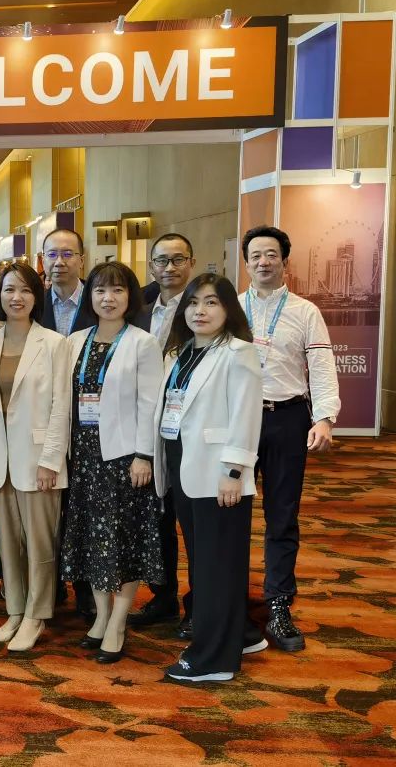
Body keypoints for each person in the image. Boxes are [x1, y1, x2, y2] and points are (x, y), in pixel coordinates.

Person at [156, 273, 267, 682]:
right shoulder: (182, 352)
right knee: (208, 561)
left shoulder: (238, 352)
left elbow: (246, 414)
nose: (200, 311)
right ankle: (242, 634)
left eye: (211, 302)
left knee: (215, 566)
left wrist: (234, 471)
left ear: (227, 309)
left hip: (219, 474)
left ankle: (213, 659)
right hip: (185, 468)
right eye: (193, 303)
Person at [239, 225, 340, 652]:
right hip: (239, 420)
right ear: (246, 263)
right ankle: (228, 600)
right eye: (255, 256)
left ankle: (278, 604)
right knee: (230, 512)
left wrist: (325, 418)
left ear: (284, 261)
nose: (263, 262)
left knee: (282, 516)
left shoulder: (305, 311)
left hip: (288, 418)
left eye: (271, 255)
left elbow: (321, 367)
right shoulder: (232, 307)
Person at [60, 261, 164, 664]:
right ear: (90, 296)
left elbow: (150, 404)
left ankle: (119, 622)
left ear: (130, 297)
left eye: (118, 290)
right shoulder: (76, 341)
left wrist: (144, 455)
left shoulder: (142, 343)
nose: (108, 298)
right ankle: (102, 616)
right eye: (101, 290)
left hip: (124, 459)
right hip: (84, 458)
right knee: (94, 540)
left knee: (124, 541)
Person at [0, 262, 71, 651]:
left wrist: (51, 459)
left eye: (25, 290)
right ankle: (15, 609)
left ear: (37, 297)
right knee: (8, 543)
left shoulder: (54, 343)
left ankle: (37, 613)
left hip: (38, 460)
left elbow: (62, 406)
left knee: (40, 544)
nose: (16, 297)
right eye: (9, 290)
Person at [129, 232, 197, 633]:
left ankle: (198, 604)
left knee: (192, 520)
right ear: (151, 266)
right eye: (161, 261)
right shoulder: (138, 306)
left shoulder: (205, 305)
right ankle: (164, 595)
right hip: (145, 426)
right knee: (156, 519)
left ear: (191, 263)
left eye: (177, 260)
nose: (169, 268)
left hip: (187, 429)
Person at [38, 227, 96, 622]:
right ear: (42, 260)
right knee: (44, 507)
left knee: (84, 507)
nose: (59, 262)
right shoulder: (31, 301)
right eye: (52, 254)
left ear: (81, 259)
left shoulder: (99, 299)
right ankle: (49, 583)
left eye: (67, 254)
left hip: (92, 424)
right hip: (41, 422)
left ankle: (85, 587)